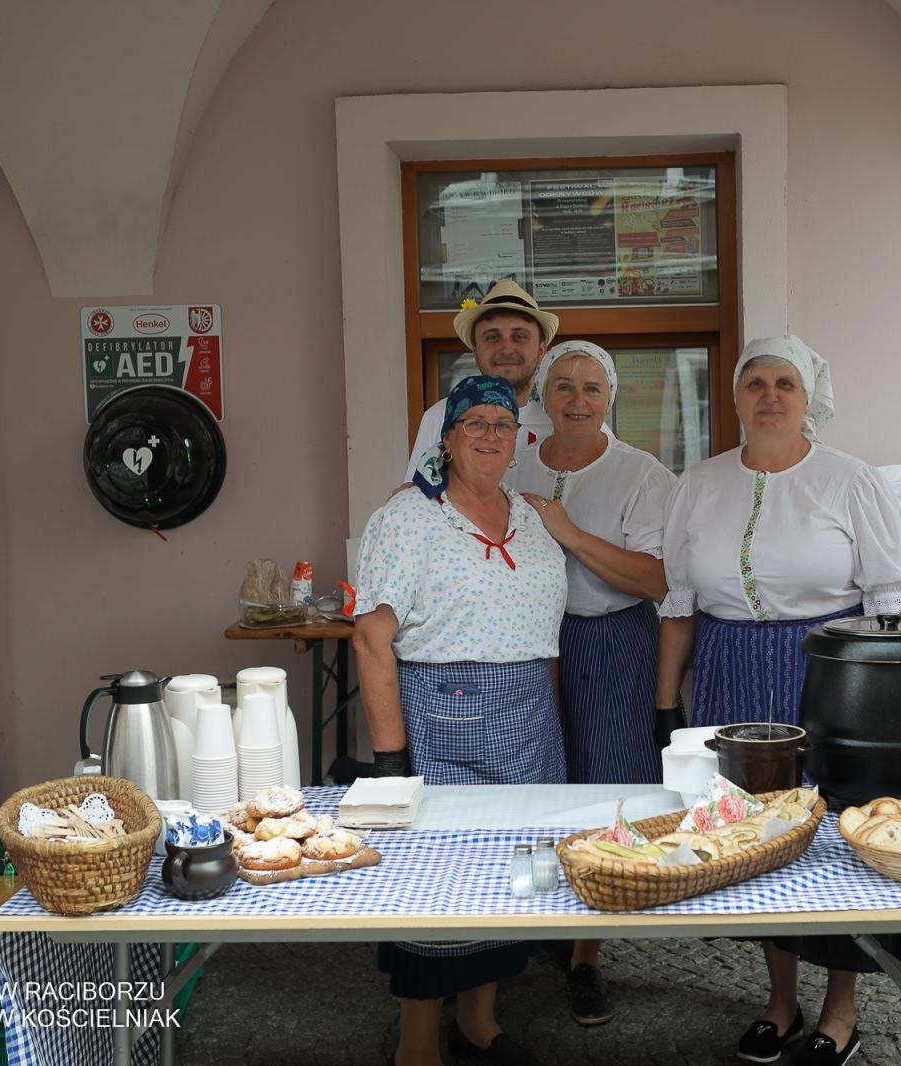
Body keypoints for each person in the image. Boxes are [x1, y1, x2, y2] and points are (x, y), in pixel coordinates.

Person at [654, 335, 901, 1066]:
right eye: (755, 383)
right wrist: (664, 702)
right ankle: (778, 999)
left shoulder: (850, 480)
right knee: (752, 835)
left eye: (785, 384)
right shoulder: (698, 483)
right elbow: (678, 603)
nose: (769, 396)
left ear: (810, 400)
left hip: (828, 672)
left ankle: (841, 1008)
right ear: (736, 398)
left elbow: (893, 598)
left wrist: (878, 699)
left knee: (830, 834)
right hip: (727, 668)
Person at [354, 374, 568, 1066]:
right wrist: (390, 763)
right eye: (472, 423)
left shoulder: (531, 517)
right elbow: (370, 637)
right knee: (435, 885)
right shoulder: (408, 519)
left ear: (517, 441)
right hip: (443, 721)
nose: (488, 435)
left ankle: (478, 1023)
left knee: (514, 878)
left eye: (501, 426)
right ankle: (417, 1045)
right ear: (446, 440)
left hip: (530, 723)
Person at [511, 341, 678, 1027]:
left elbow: (655, 580)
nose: (576, 400)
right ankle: (525, 924)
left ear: (611, 399)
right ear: (543, 398)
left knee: (606, 787)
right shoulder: (514, 460)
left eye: (591, 388)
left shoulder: (640, 473)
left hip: (609, 639)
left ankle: (589, 953)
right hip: (521, 646)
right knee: (535, 783)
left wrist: (567, 531)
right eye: (563, 387)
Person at [403, 281, 612, 483]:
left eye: (519, 336)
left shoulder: (574, 416)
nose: (506, 349)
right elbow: (417, 501)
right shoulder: (441, 416)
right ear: (475, 352)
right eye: (492, 337)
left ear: (541, 351)